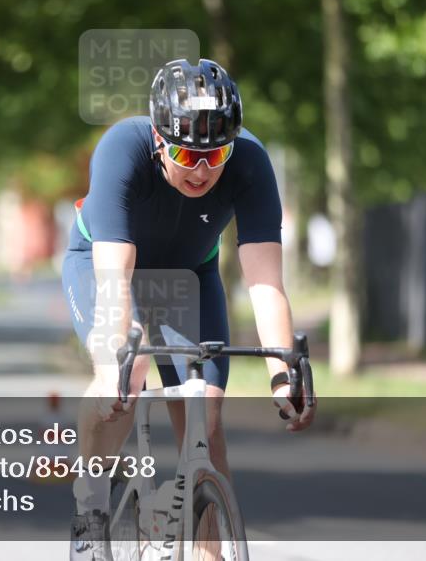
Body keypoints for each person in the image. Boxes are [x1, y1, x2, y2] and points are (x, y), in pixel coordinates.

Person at [62, 58, 316, 560]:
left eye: (215, 154)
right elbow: (115, 279)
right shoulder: (122, 148)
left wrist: (283, 373)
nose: (202, 170)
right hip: (105, 266)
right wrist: (112, 362)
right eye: (186, 153)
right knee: (127, 373)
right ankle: (90, 502)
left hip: (190, 276)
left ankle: (206, 548)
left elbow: (266, 283)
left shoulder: (250, 162)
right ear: (159, 142)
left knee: (207, 417)